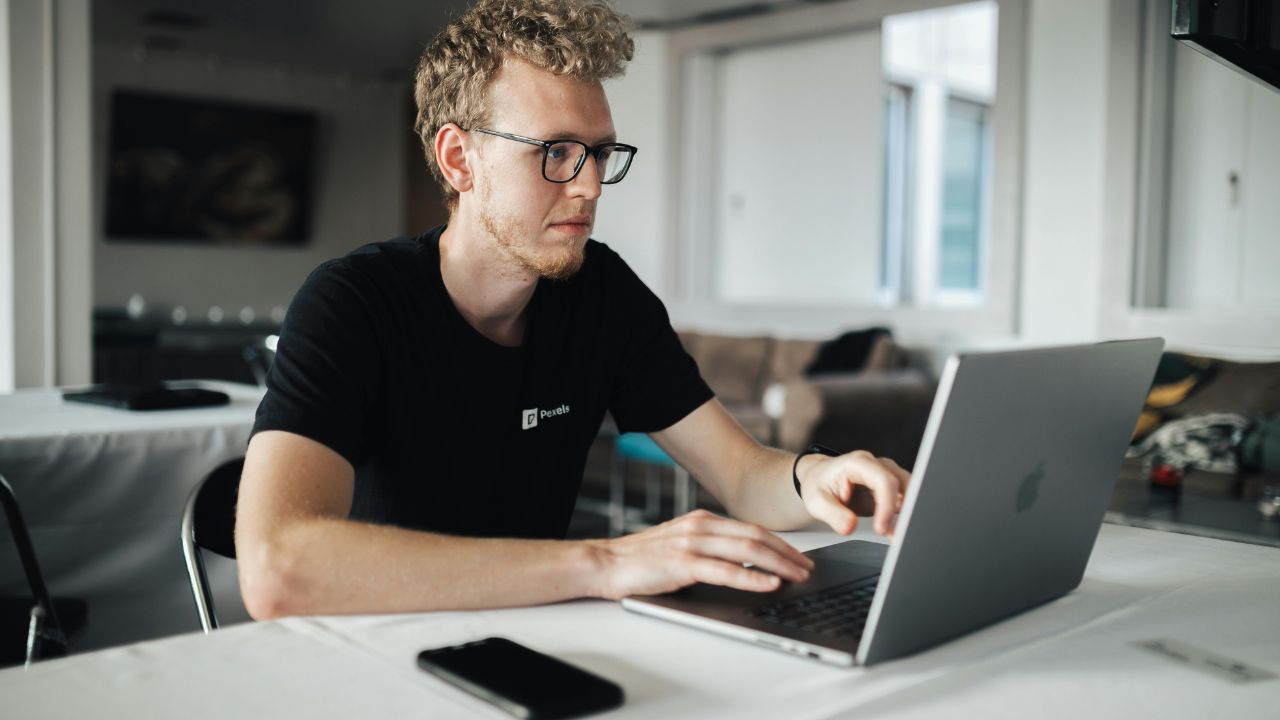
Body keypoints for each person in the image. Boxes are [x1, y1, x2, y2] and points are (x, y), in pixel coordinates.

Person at [236, 0, 911, 620]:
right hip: (371, 648)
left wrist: (819, 476)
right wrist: (606, 561)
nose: (589, 185)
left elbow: (742, 475)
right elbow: (277, 570)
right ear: (458, 159)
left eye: (601, 153)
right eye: (555, 152)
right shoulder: (353, 303)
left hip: (536, 638)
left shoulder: (602, 295)